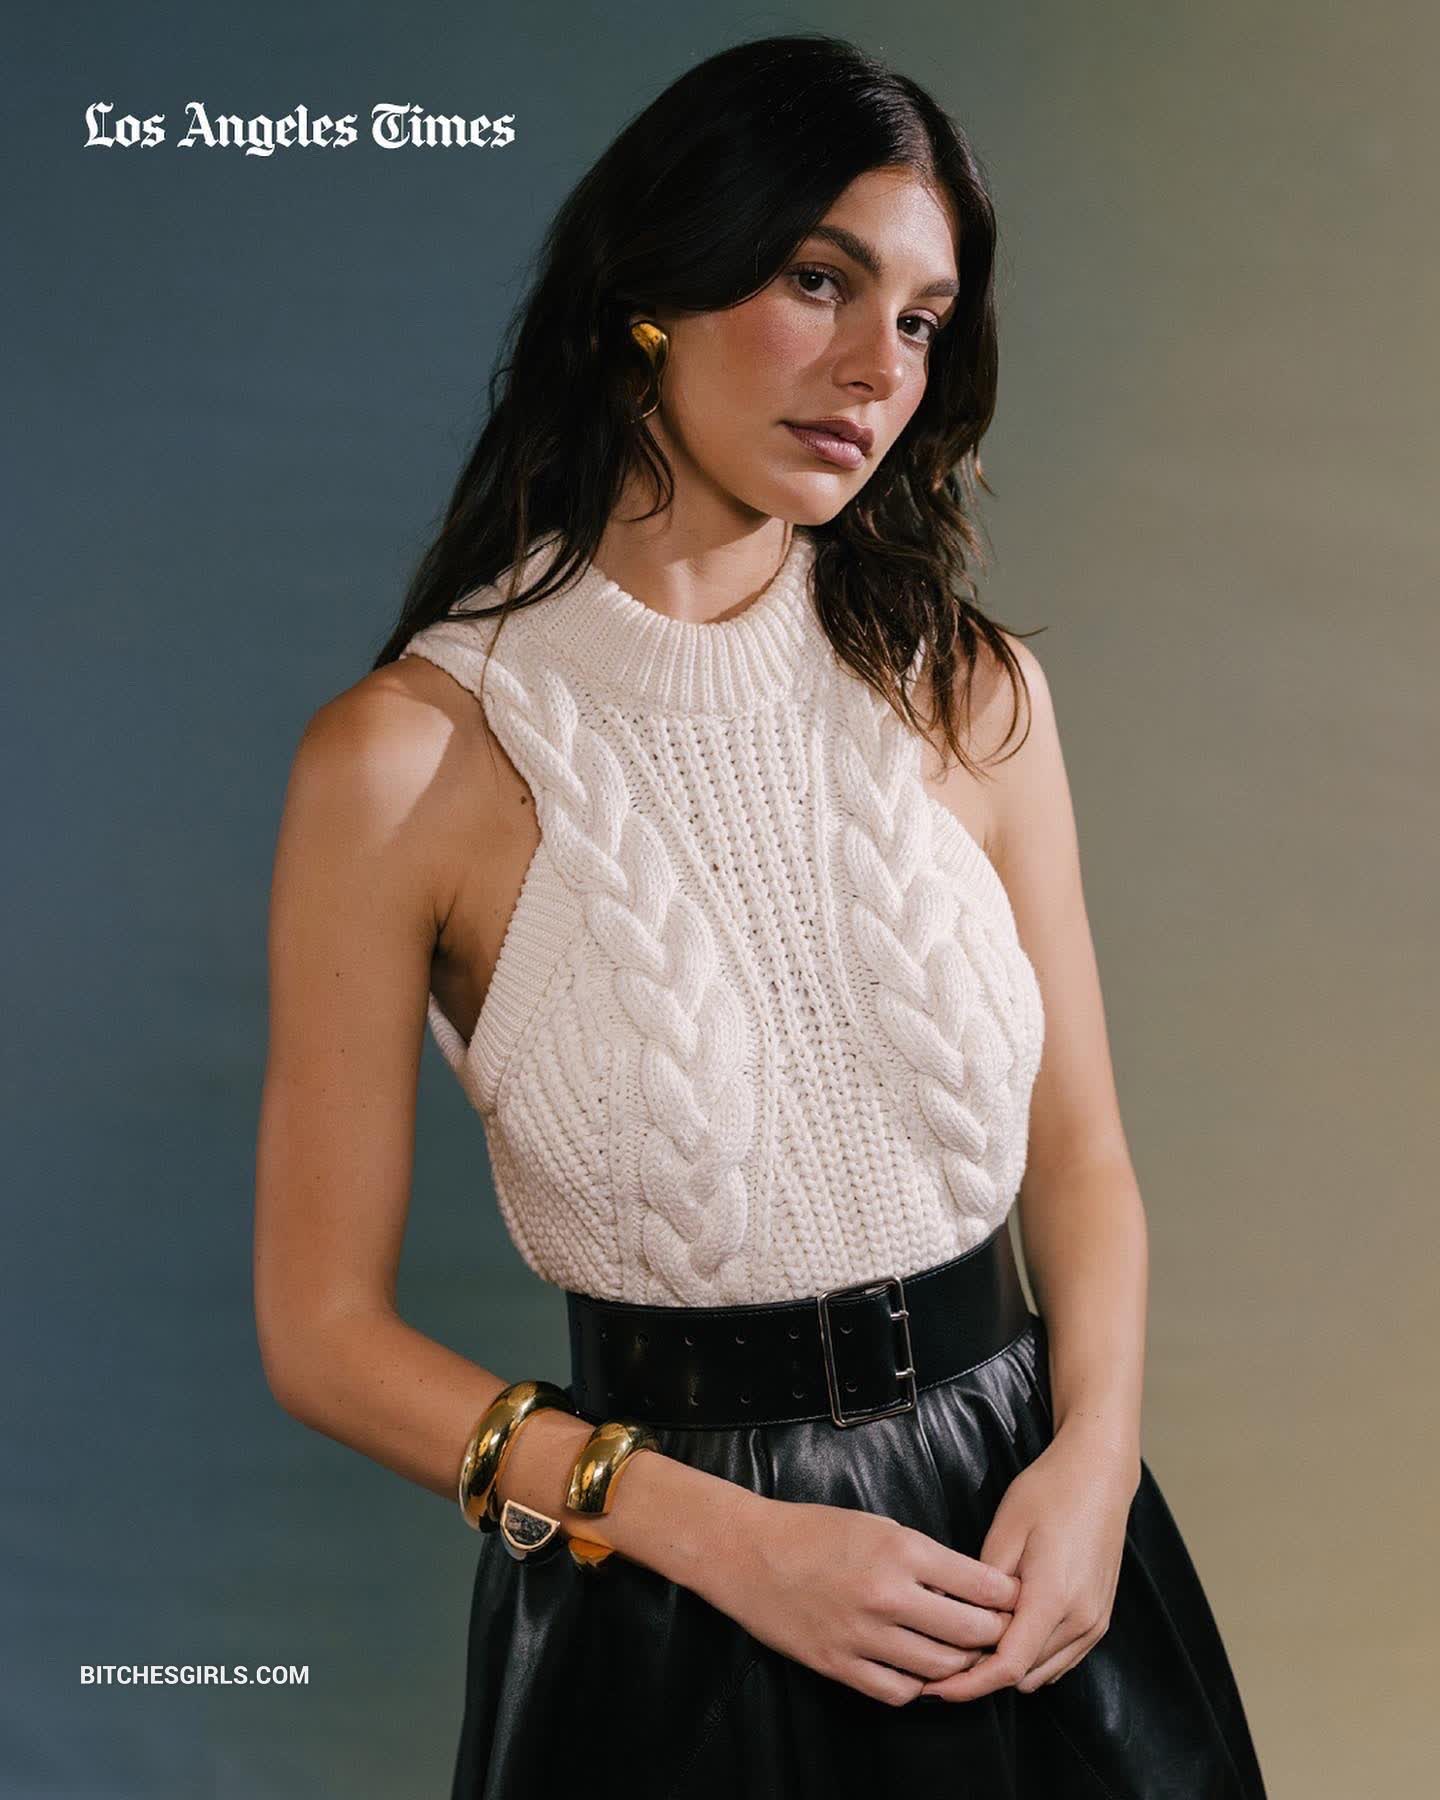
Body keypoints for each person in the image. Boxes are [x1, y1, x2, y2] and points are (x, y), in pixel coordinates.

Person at [255, 32, 1269, 1799]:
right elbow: (321, 1335)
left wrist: (1095, 1461)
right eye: (819, 281)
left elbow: (1081, 1156)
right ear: (646, 297)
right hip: (669, 1598)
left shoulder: (971, 692)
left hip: (1030, 1562)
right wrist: (719, 1539)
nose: (881, 368)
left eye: (926, 320)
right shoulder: (408, 760)